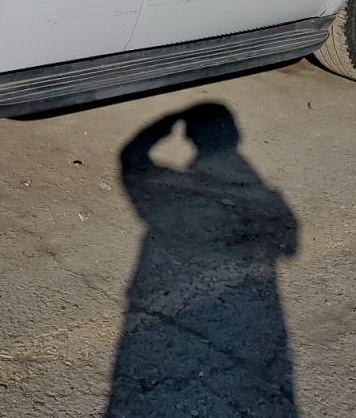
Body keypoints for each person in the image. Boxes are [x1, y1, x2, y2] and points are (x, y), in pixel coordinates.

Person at [108, 103, 300, 417]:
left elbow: (131, 162)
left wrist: (163, 123)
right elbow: (289, 244)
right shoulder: (254, 189)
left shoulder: (177, 189)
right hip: (246, 316)